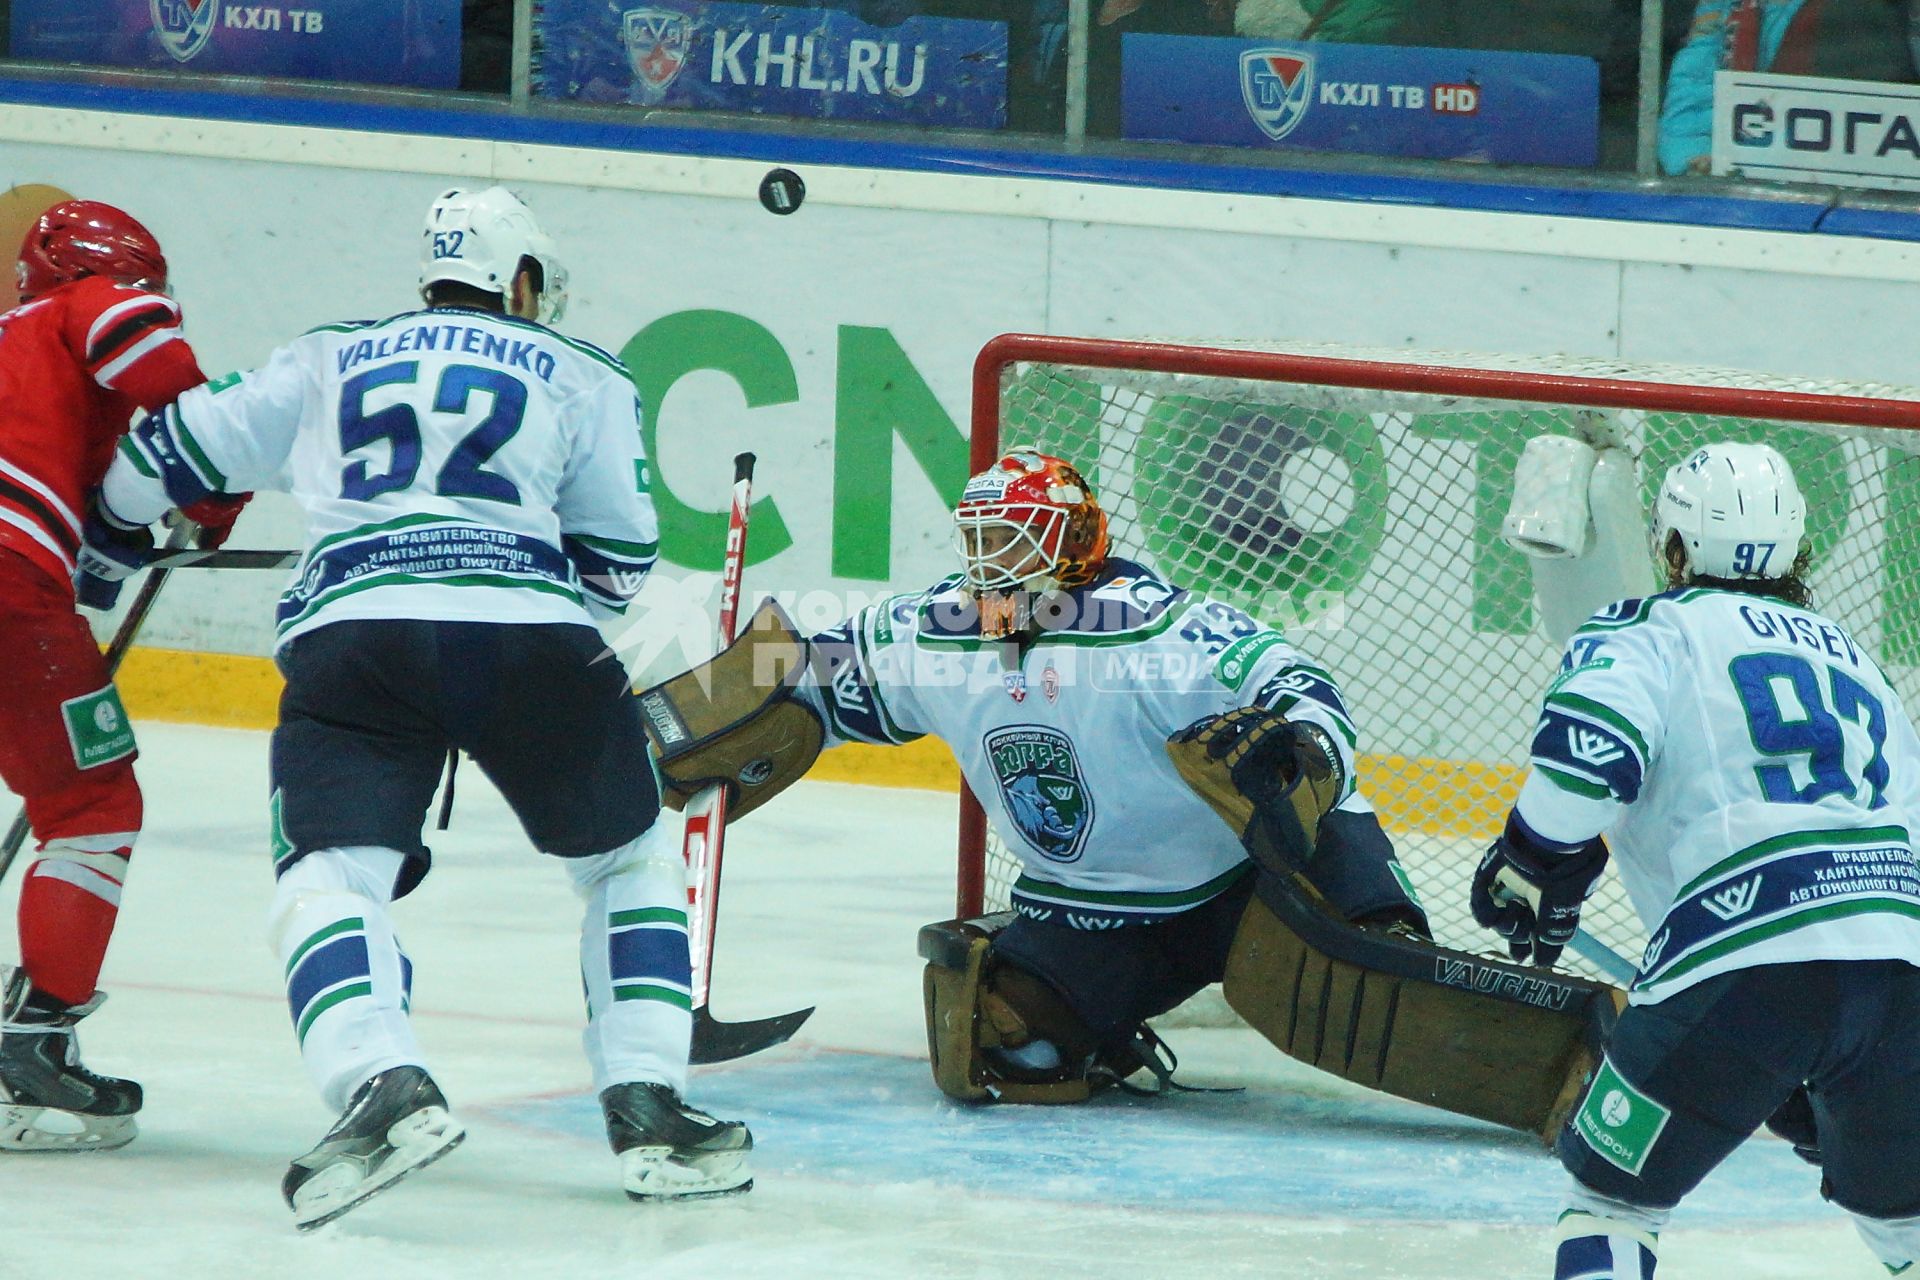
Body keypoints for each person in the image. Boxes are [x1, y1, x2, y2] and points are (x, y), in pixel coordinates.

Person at [86, 186, 751, 1227]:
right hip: (534, 636)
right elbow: (620, 564)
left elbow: (160, 455)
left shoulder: (325, 355)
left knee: (328, 874)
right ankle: (650, 1104)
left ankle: (379, 1085)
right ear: (520, 281)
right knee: (628, 856)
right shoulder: (584, 371)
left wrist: (110, 545)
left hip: (356, 642)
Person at [672, 449, 1427, 1097]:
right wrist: (727, 699)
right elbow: (818, 668)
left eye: (1008, 540)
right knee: (1006, 1048)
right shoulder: (942, 632)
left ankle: (1388, 935)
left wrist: (1307, 750)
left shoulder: (1158, 630)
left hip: (1252, 882)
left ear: (1070, 542)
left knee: (1396, 995)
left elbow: (1294, 681)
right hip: (1101, 916)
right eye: (977, 541)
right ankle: (1105, 1034)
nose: (986, 563)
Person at [1472, 441, 1920, 1279]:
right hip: (1899, 975)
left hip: (1741, 968)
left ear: (1673, 547)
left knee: (1613, 1203)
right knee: (1908, 1225)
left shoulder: (1647, 630)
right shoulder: (1857, 662)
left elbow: (1588, 763)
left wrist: (1533, 856)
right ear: (1796, 549)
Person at [0, 199, 244, 1152]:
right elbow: (181, 400)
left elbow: (95, 513)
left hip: (24, 576)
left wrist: (129, 531)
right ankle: (32, 1046)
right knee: (91, 803)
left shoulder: (23, 353)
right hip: (9, 582)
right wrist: (214, 484)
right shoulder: (86, 309)